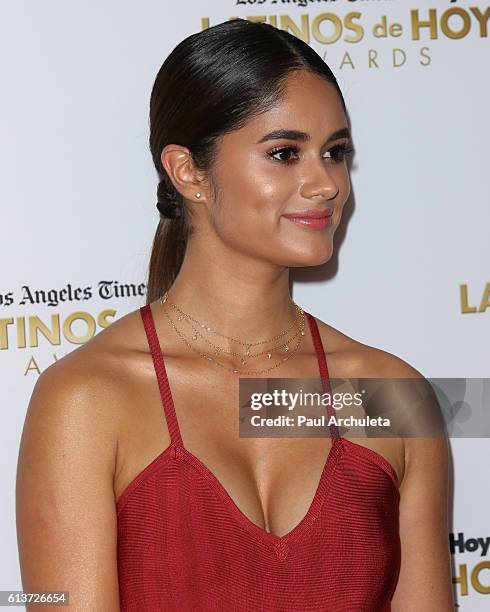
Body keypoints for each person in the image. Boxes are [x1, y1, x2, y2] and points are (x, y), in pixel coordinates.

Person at [16, 19, 454, 611]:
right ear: (188, 172)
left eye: (336, 152)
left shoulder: (390, 396)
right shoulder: (87, 397)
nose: (325, 183)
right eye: (284, 153)